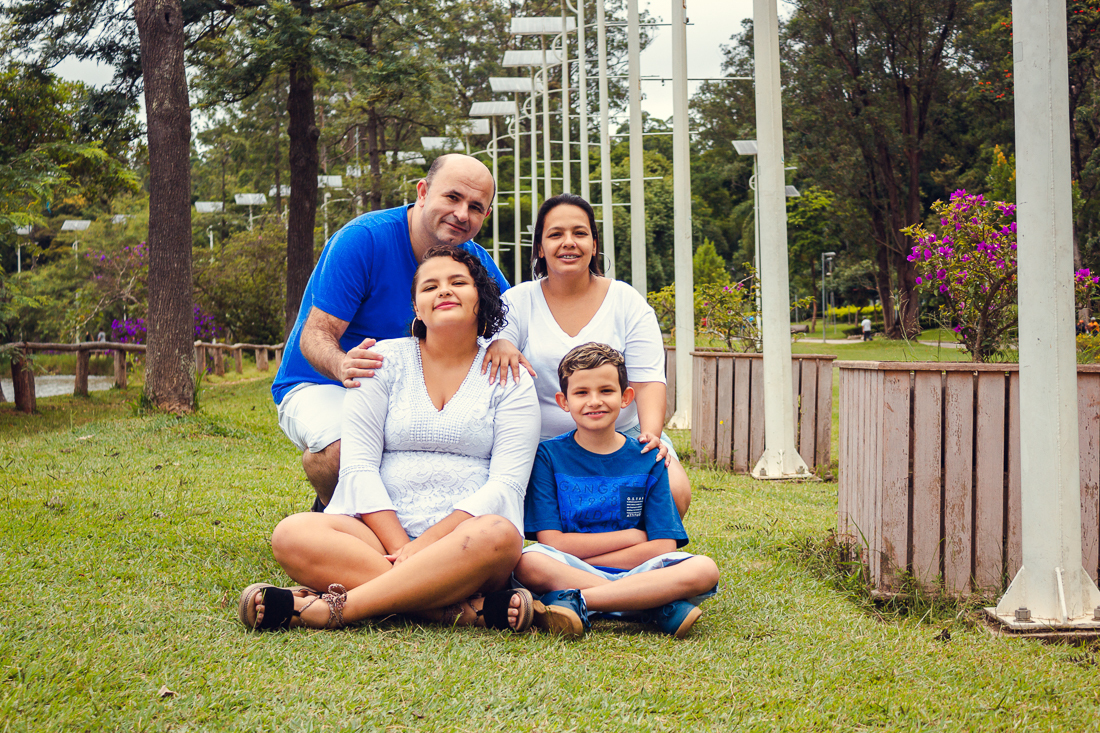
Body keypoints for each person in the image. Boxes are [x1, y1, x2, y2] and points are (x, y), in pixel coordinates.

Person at [240, 246, 559, 633]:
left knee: (501, 536)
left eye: (458, 282)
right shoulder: (380, 362)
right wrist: (400, 548)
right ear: (417, 307)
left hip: (465, 543)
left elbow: (506, 483)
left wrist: (425, 546)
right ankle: (456, 612)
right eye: (430, 287)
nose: (444, 291)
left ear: (482, 299)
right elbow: (358, 467)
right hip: (378, 537)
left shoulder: (510, 375)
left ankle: (335, 608)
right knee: (293, 533)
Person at [271, 154, 509, 510]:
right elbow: (315, 333)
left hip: (406, 393)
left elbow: (512, 318)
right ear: (423, 192)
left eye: (476, 207)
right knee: (345, 448)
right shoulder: (363, 240)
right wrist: (342, 365)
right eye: (453, 197)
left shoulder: (475, 262)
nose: (462, 214)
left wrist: (505, 341)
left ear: (486, 216)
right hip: (326, 382)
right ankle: (333, 515)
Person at [483, 193, 692, 517]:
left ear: (594, 244)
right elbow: (499, 346)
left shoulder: (627, 301)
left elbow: (649, 381)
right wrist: (502, 342)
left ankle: (626, 557)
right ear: (540, 247)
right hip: (543, 446)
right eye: (556, 234)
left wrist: (648, 439)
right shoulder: (518, 301)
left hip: (621, 436)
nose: (569, 242)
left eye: (579, 233)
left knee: (672, 491)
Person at [514, 343, 719, 639]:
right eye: (581, 393)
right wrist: (632, 537)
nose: (594, 401)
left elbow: (664, 547)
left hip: (638, 569)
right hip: (571, 566)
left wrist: (590, 557)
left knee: (704, 569)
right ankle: (650, 604)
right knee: (528, 561)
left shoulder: (649, 456)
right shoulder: (548, 456)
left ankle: (579, 601)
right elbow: (552, 542)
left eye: (606, 391)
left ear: (625, 398)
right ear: (563, 400)